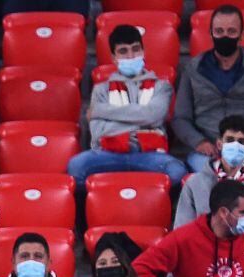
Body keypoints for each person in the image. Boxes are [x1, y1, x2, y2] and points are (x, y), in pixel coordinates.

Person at [67, 24, 186, 188]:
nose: (131, 56)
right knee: (76, 165)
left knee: (177, 170)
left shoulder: (161, 86)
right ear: (114, 57)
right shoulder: (101, 90)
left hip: (148, 154)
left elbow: (153, 116)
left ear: (143, 52)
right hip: (109, 153)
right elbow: (98, 131)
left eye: (135, 49)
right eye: (123, 51)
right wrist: (142, 124)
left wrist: (102, 111)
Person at [171, 4, 244, 177]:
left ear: (242, 34)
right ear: (211, 33)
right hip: (207, 150)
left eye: (231, 31)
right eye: (219, 31)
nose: (225, 36)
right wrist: (199, 142)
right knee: (206, 176)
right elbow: (180, 119)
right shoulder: (192, 69)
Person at [174, 115, 244, 241]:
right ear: (219, 144)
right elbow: (181, 232)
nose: (235, 145)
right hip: (203, 253)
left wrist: (239, 221)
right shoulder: (194, 183)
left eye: (241, 141)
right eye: (229, 140)